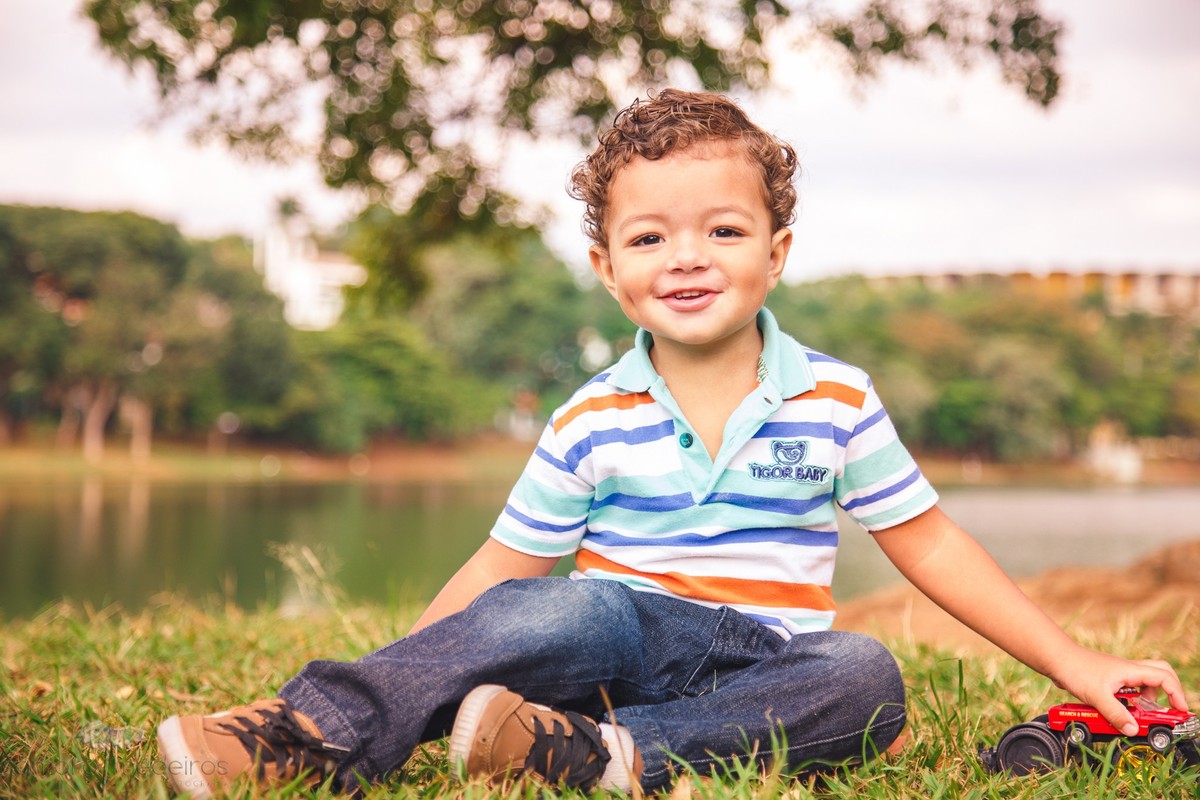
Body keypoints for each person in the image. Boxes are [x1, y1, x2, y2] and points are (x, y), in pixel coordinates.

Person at [156, 88, 1187, 798]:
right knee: (571, 603)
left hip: (767, 666)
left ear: (777, 252)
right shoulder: (588, 417)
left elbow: (932, 543)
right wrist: (409, 679)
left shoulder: (837, 397)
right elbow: (500, 573)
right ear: (609, 269)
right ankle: (314, 729)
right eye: (649, 237)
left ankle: (601, 757)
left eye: (723, 231)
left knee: (864, 674)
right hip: (613, 646)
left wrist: (1075, 660)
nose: (686, 257)